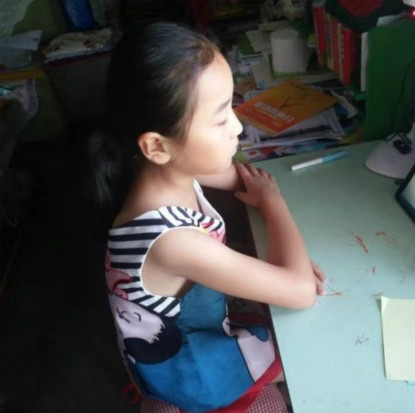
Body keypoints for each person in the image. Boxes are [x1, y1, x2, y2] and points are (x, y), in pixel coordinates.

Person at [88, 21, 326, 412]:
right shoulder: (172, 241)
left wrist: (287, 263)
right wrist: (274, 203)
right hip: (192, 370)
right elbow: (301, 292)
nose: (238, 126)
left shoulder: (161, 169)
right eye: (219, 119)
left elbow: (238, 178)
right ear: (156, 146)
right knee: (314, 348)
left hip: (197, 318)